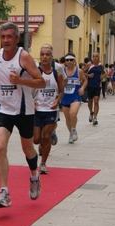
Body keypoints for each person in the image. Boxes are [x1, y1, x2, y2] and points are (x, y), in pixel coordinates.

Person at [0, 22, 46, 208]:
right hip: (4, 109)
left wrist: (21, 80)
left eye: (9, 37)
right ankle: (4, 192)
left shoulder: (24, 57)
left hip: (24, 110)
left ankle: (34, 176)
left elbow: (41, 82)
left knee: (27, 148)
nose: (5, 40)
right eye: (2, 36)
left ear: (16, 38)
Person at [33, 46, 63, 174]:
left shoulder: (58, 74)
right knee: (36, 139)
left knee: (46, 137)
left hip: (51, 109)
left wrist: (58, 99)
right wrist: (31, 100)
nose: (44, 56)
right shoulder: (35, 73)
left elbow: (61, 91)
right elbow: (28, 89)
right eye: (42, 54)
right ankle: (43, 144)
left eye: (47, 54)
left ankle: (43, 163)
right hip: (37, 109)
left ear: (51, 57)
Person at [61, 53, 87, 144]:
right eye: (67, 60)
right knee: (67, 118)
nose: (69, 61)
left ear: (74, 61)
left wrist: (82, 88)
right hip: (65, 97)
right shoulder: (61, 71)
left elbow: (85, 80)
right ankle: (71, 133)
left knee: (73, 114)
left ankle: (74, 129)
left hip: (75, 96)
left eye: (71, 60)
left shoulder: (79, 71)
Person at [83, 52, 105, 126]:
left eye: (96, 56)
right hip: (90, 85)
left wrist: (102, 77)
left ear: (99, 57)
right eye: (94, 56)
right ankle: (91, 112)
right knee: (90, 101)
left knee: (96, 101)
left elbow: (104, 73)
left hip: (97, 86)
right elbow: (82, 72)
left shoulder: (101, 65)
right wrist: (88, 75)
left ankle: (95, 118)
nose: (95, 58)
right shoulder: (89, 65)